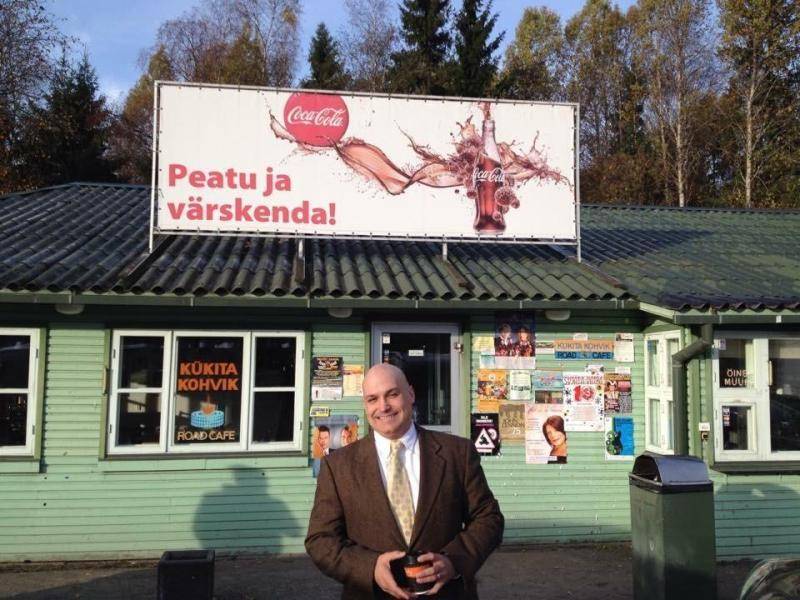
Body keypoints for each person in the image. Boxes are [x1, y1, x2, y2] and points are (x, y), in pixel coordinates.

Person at [306, 363, 504, 599]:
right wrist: (369, 568)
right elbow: (320, 539)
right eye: (372, 399)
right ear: (365, 405)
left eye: (392, 394)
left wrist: (454, 561)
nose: (383, 406)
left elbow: (488, 517)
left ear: (410, 394)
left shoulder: (457, 453)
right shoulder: (337, 466)